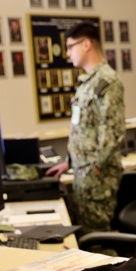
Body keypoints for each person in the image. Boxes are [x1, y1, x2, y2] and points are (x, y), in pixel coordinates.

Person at [44, 22, 125, 232]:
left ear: (86, 44)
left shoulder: (107, 81)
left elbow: (112, 131)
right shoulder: (88, 82)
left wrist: (96, 168)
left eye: (71, 47)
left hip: (96, 177)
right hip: (83, 171)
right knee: (88, 234)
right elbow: (83, 128)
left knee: (97, 237)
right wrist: (69, 161)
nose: (68, 53)